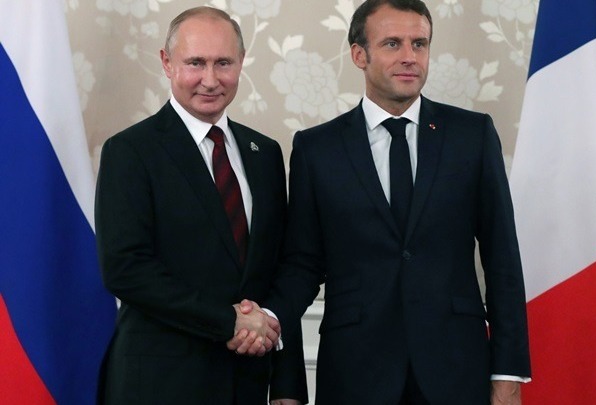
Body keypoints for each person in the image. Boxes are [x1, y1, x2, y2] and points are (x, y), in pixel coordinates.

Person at [264, 0, 531, 403]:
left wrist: (508, 372)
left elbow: (502, 258)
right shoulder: (316, 149)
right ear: (359, 55)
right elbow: (302, 263)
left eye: (419, 44)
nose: (410, 57)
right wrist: (268, 320)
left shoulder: (472, 136)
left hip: (456, 369)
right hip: (355, 372)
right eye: (392, 43)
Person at [94, 6, 306, 405]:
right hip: (159, 385)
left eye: (223, 63)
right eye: (195, 63)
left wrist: (287, 384)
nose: (210, 80)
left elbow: (280, 268)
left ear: (241, 62)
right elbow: (125, 268)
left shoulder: (264, 152)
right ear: (167, 62)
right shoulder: (130, 151)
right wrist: (229, 321)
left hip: (247, 383)